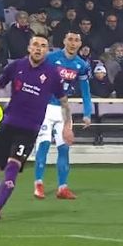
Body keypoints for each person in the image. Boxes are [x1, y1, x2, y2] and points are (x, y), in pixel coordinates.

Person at [0, 35, 74, 223]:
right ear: (29, 48)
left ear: (47, 50)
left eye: (43, 46)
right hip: (7, 125)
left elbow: (64, 102)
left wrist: (67, 127)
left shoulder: (53, 73)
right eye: (35, 45)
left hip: (29, 129)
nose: (38, 48)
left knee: (13, 165)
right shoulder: (16, 66)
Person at [33, 31, 92, 200]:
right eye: (70, 39)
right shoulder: (51, 58)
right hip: (44, 107)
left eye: (76, 40)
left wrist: (87, 113)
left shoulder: (81, 65)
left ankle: (62, 187)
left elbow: (86, 92)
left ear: (80, 44)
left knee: (64, 148)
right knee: (43, 145)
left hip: (63, 110)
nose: (73, 43)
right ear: (64, 41)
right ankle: (38, 184)